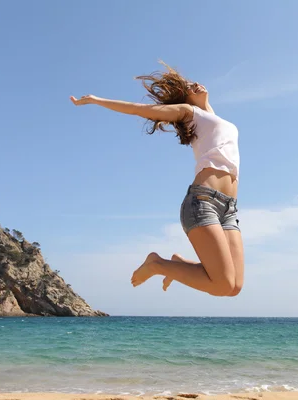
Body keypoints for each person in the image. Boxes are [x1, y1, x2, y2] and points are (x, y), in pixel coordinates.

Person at [70, 62, 243, 297]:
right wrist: (95, 100)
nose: (197, 85)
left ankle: (176, 264)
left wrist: (203, 99)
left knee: (234, 287)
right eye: (190, 87)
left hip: (229, 208)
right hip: (203, 201)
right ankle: (157, 264)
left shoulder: (210, 117)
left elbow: (211, 119)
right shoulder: (188, 112)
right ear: (184, 97)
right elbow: (137, 109)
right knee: (222, 284)